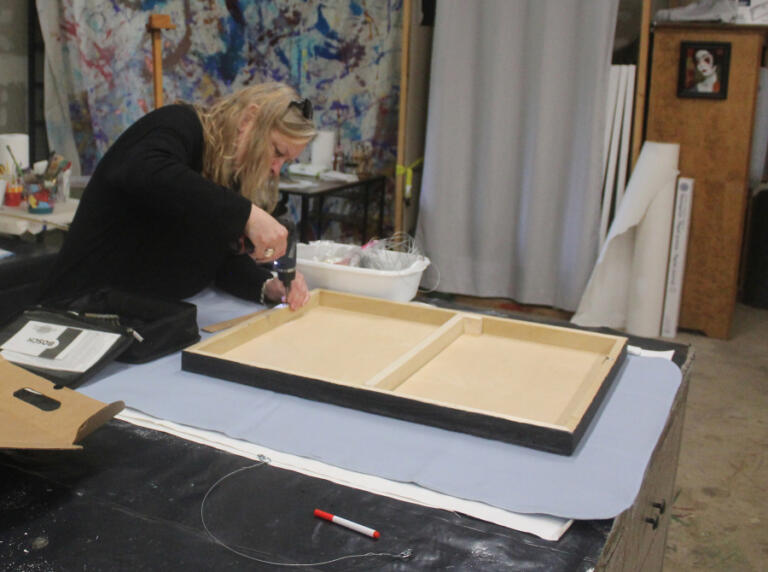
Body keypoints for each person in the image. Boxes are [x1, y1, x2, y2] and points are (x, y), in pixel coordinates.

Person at [39, 82, 316, 310]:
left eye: (286, 162)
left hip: (149, 319)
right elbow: (144, 170)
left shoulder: (227, 172)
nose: (276, 169)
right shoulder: (179, 126)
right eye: (277, 152)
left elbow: (214, 258)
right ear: (248, 120)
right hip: (80, 310)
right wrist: (246, 214)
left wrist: (266, 285)